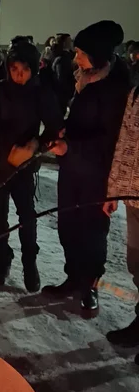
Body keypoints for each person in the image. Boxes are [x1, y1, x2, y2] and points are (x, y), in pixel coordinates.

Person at [44, 20, 130, 314]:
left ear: (97, 55)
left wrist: (72, 146)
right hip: (72, 168)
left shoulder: (116, 89)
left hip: (96, 174)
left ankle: (90, 285)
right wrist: (64, 134)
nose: (75, 58)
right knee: (68, 224)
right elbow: (79, 120)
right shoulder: (84, 78)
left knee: (92, 231)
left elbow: (109, 140)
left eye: (80, 53)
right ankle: (73, 277)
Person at [0, 41, 63, 291]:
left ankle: (30, 262)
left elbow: (53, 126)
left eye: (24, 69)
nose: (19, 74)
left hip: (24, 167)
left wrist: (35, 147)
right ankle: (3, 260)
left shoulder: (40, 93)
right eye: (14, 68)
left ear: (32, 70)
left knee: (27, 215)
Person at [104, 86, 139, 349]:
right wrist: (114, 190)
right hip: (134, 195)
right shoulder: (136, 94)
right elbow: (124, 141)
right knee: (137, 263)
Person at [50, 33, 75, 114]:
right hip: (64, 95)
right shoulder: (63, 58)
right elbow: (61, 79)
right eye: (69, 41)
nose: (71, 42)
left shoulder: (66, 56)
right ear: (64, 43)